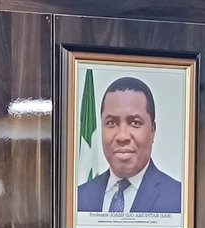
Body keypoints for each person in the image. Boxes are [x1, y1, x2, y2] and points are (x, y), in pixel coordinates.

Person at [76, 76, 182, 214]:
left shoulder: (181, 200)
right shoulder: (77, 199)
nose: (122, 136)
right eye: (111, 123)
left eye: (135, 123)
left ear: (152, 130)